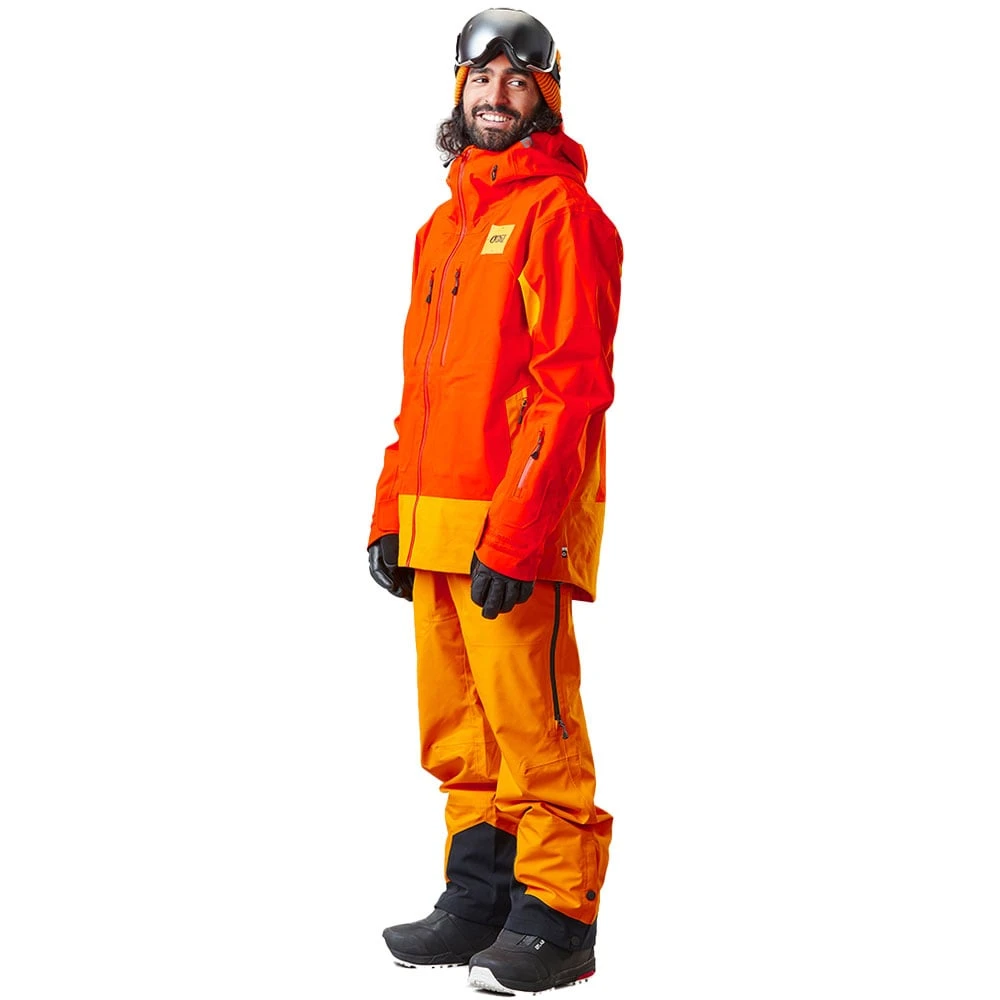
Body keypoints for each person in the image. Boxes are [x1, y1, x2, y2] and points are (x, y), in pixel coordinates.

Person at [366, 8, 623, 995]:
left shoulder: (563, 216)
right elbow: (420, 392)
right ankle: (479, 897)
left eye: (517, 81)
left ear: (544, 98)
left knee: (533, 729)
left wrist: (516, 531)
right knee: (458, 730)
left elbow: (571, 392)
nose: (495, 96)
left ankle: (558, 916)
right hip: (435, 517)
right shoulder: (441, 228)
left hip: (514, 525)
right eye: (481, 79)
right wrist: (392, 511)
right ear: (458, 90)